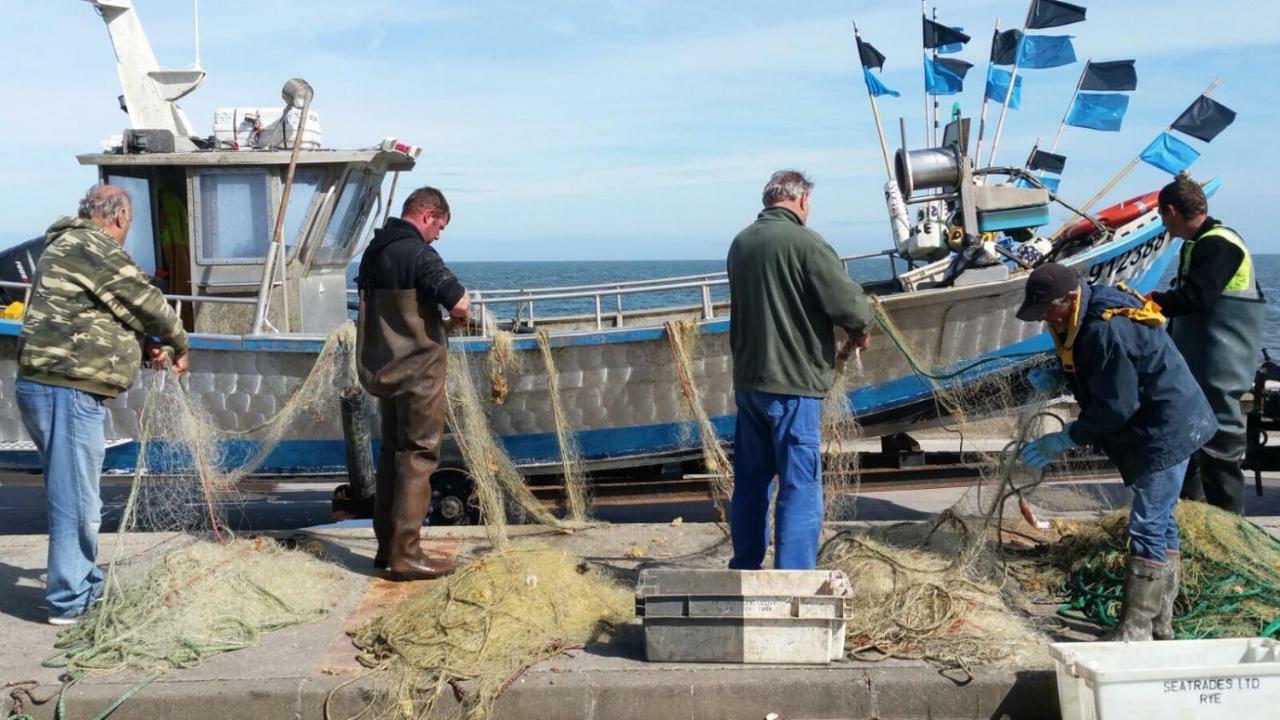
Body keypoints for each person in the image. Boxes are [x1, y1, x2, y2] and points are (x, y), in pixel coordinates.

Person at [16, 184, 189, 625]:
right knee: (76, 497)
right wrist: (176, 341)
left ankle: (83, 585)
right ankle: (70, 600)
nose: (127, 231)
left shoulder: (70, 244)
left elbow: (108, 309)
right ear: (117, 218)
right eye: (129, 223)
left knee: (80, 495)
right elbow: (144, 299)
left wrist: (143, 344)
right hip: (65, 389)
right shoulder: (93, 244)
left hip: (58, 387)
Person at [1018, 263, 1215, 641]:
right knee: (1161, 522)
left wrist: (1066, 438)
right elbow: (1101, 365)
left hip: (1167, 427)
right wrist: (1060, 373)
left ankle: (1136, 628)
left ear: (1070, 297)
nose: (1044, 318)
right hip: (1165, 419)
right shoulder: (1087, 312)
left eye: (1047, 310)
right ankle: (1160, 623)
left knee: (1146, 525)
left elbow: (1116, 406)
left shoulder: (1104, 328)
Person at [725, 170, 873, 570]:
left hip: (750, 384)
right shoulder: (807, 243)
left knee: (751, 484)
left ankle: (745, 566)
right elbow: (850, 306)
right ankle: (794, 574)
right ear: (802, 199)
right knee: (799, 484)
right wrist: (860, 331)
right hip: (794, 386)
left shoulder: (741, 244)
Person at [355, 187, 469, 581]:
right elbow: (458, 301)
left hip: (385, 368)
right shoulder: (419, 253)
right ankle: (407, 554)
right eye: (440, 226)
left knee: (392, 454)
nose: (438, 235)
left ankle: (386, 548)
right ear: (427, 215)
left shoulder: (375, 251)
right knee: (419, 456)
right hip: (419, 374)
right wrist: (459, 317)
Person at [1150, 173, 1265, 514]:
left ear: (1171, 211)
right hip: (1200, 356)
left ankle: (1228, 522)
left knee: (1220, 436)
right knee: (1190, 433)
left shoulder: (1218, 243)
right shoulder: (1198, 244)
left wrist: (1156, 303)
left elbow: (1199, 297)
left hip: (1221, 357)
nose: (1162, 224)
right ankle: (1194, 513)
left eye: (1161, 216)